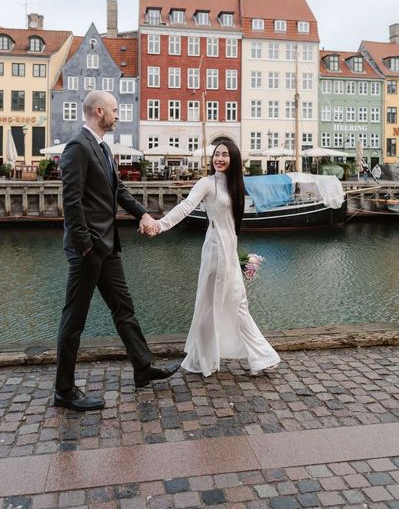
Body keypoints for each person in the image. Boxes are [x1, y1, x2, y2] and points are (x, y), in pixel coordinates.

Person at [54, 91, 179, 411]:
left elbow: (119, 192)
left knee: (124, 309)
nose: (117, 115)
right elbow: (71, 203)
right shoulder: (77, 148)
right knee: (74, 320)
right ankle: (64, 391)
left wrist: (144, 214)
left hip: (108, 247)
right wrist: (84, 247)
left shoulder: (104, 149)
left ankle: (142, 367)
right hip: (89, 250)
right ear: (99, 112)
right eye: (114, 110)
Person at [141, 139, 280, 378]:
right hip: (215, 251)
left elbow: (232, 226)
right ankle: (206, 358)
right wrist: (159, 225)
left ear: (233, 158)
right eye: (217, 154)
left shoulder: (235, 186)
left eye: (225, 154)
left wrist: (238, 257)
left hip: (229, 252)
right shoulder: (207, 183)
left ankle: (256, 357)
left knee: (238, 305)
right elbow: (186, 207)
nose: (219, 158)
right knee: (211, 304)